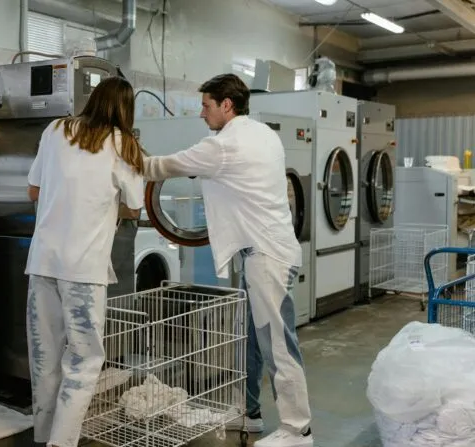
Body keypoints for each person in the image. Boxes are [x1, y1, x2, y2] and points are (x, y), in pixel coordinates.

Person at [141, 74, 313, 447]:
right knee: (251, 338)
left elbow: (160, 168)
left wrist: (118, 154)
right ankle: (249, 413)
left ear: (227, 105)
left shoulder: (223, 146)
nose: (202, 113)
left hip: (267, 256)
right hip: (268, 250)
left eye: (206, 106)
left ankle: (298, 429)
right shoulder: (263, 134)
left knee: (278, 343)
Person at [24, 76, 145, 447]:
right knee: (83, 362)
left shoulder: (55, 129)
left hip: (43, 263)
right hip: (84, 270)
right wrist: (104, 205)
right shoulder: (124, 144)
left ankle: (44, 437)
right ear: (126, 109)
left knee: (44, 359)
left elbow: (33, 190)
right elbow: (135, 207)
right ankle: (61, 443)